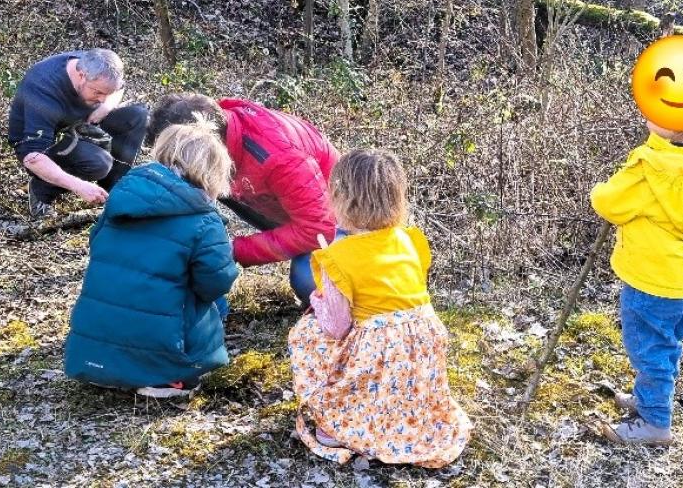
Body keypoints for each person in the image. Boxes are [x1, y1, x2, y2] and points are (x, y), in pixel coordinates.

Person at [287, 148, 472, 467]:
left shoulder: (338, 256)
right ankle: (406, 415)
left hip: (381, 352)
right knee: (386, 349)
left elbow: (337, 326)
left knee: (308, 334)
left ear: (341, 199)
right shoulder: (410, 240)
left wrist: (318, 301)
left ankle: (340, 421)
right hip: (423, 349)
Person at [592, 64, 683, 446]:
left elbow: (608, 202)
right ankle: (648, 400)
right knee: (665, 347)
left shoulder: (651, 167)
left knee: (649, 351)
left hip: (652, 281)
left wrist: (602, 186)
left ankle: (655, 423)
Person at [64, 119, 238, 397]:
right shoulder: (204, 219)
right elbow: (216, 281)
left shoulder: (121, 198)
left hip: (90, 353)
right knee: (217, 303)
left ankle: (106, 366)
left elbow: (96, 244)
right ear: (213, 171)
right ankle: (169, 377)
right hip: (162, 346)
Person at [146, 93, 339, 309]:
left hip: (334, 221)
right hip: (277, 202)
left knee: (307, 280)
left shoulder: (279, 158)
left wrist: (234, 249)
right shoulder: (218, 127)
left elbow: (320, 229)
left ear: (203, 141)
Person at [7, 49, 149, 219]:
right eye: (98, 92)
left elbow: (118, 89)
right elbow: (33, 157)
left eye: (107, 93)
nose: (103, 98)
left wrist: (105, 108)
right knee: (99, 163)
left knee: (137, 116)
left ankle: (112, 192)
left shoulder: (96, 64)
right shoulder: (43, 90)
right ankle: (42, 190)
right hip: (44, 145)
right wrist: (79, 186)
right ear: (81, 76)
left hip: (79, 123)